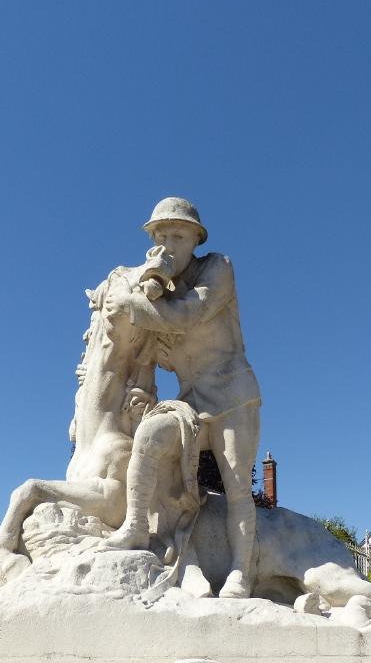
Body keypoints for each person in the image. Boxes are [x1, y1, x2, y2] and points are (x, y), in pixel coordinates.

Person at [104, 197, 261, 598]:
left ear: (196, 238)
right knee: (151, 435)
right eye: (161, 236)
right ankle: (137, 527)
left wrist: (134, 305)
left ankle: (241, 573)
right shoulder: (159, 292)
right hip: (190, 400)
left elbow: (191, 314)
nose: (169, 243)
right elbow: (142, 355)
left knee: (238, 483)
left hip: (231, 393)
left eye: (178, 235)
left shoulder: (217, 268)